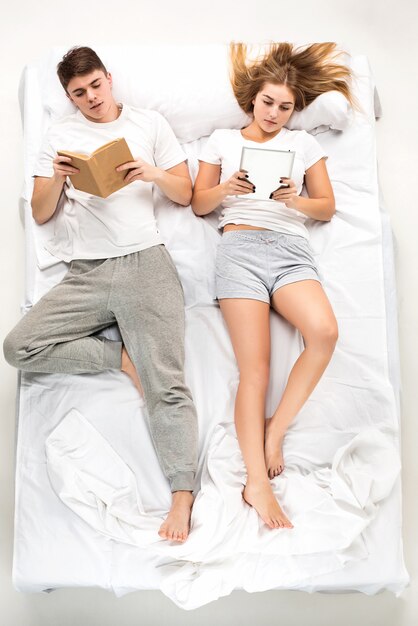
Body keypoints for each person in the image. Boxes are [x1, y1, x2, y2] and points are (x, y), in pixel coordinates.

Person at [3, 46, 198, 543]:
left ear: (109, 80)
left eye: (95, 86)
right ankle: (120, 359)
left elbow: (187, 193)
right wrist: (61, 179)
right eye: (78, 93)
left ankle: (182, 496)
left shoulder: (149, 124)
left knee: (167, 384)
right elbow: (41, 214)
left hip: (145, 263)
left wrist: (150, 173)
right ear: (70, 97)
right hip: (86, 271)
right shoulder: (60, 135)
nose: (90, 98)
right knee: (18, 347)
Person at [191, 42, 356, 530]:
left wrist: (293, 201)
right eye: (268, 103)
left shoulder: (303, 146)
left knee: (324, 333)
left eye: (285, 107)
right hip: (239, 252)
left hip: (289, 251)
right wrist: (227, 189)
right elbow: (200, 204)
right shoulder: (221, 141)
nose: (275, 114)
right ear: (252, 101)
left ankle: (273, 433)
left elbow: (326, 206)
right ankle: (256, 484)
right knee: (255, 371)